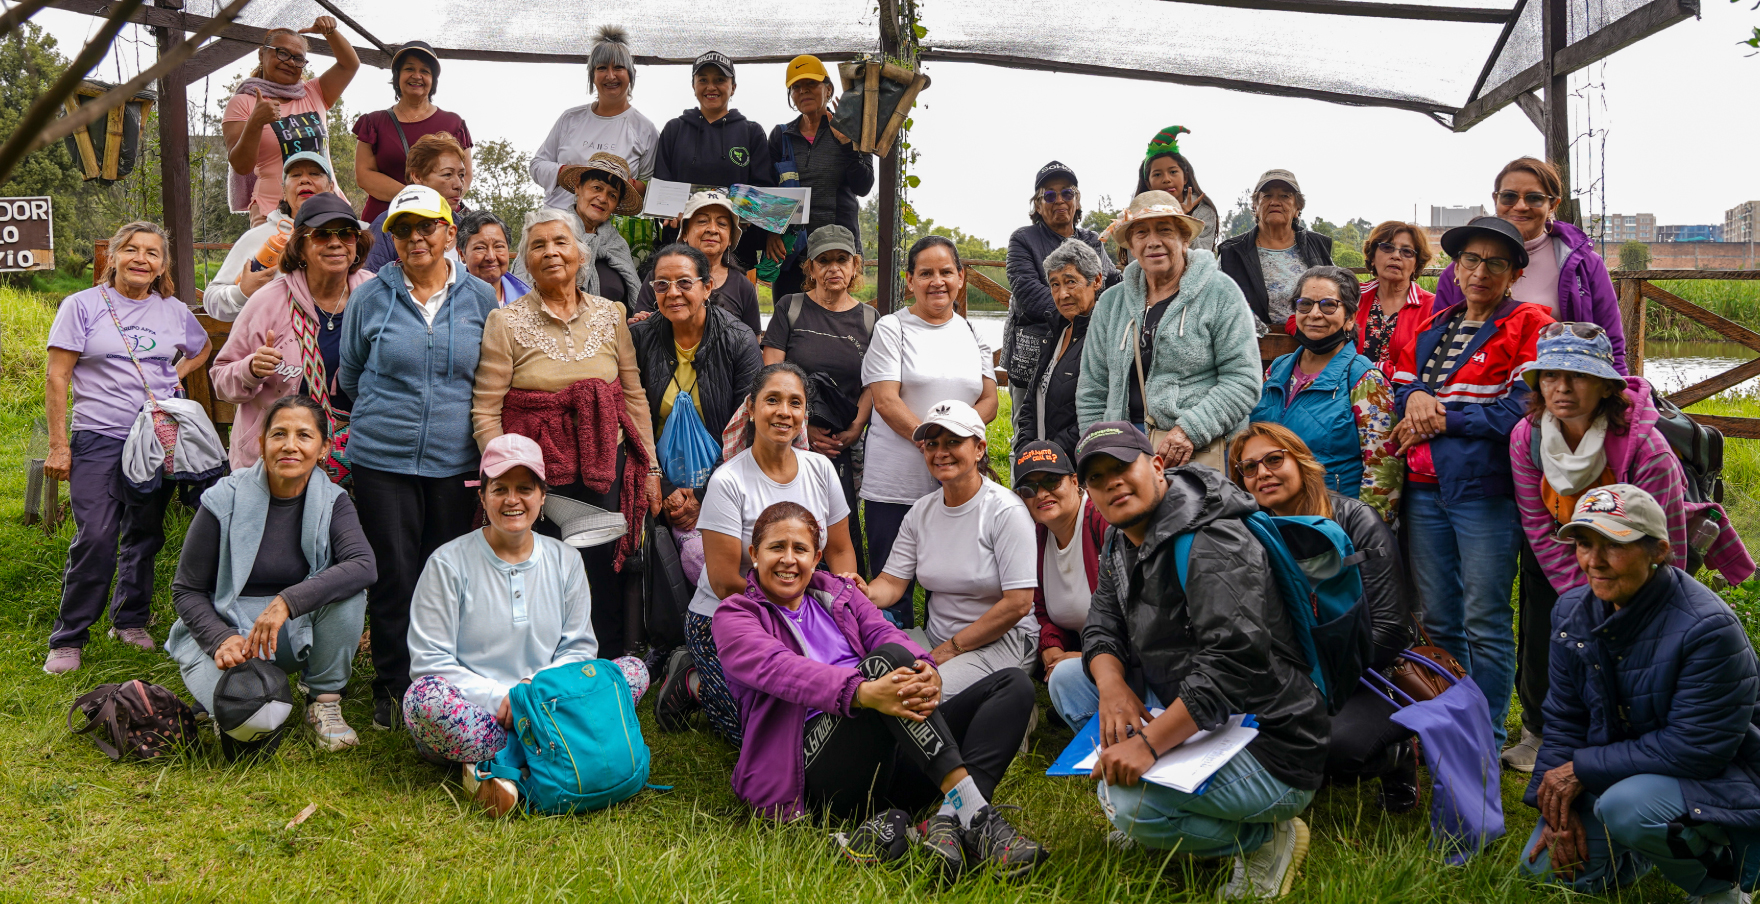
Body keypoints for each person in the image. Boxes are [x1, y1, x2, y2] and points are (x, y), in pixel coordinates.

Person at [1054, 422, 1326, 899]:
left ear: (1158, 465)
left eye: (1122, 467)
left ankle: (1264, 838)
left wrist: (1149, 745)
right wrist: (1113, 689)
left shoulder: (1212, 539)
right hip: (1194, 707)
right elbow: (1101, 624)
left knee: (1127, 804)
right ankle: (1169, 800)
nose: (1112, 482)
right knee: (1071, 680)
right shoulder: (1122, 539)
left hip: (1269, 736)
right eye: (1097, 477)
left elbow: (1232, 663)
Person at [713, 502, 1047, 878]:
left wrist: (929, 669)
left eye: (800, 549)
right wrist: (863, 692)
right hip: (813, 767)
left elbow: (884, 631)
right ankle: (977, 816)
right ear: (755, 554)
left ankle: (946, 823)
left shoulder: (837, 593)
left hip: (891, 748)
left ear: (817, 557)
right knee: (884, 662)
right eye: (776, 547)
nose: (788, 559)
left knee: (1012, 685)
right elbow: (783, 670)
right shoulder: (735, 615)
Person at [1504, 324, 1754, 773]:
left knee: (1643, 640)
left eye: (1578, 376)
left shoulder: (1647, 448)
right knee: (1548, 630)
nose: (1562, 388)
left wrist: (1627, 600)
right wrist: (1579, 594)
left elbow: (1667, 544)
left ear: (1605, 385)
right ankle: (1541, 732)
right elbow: (1538, 525)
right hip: (1563, 546)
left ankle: (1644, 731)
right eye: (1550, 375)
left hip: (1638, 556)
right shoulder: (1527, 436)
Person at [1519, 484, 1760, 903]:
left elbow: (1696, 749)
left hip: (1724, 778)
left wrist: (1580, 771)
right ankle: (1640, 853)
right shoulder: (1570, 612)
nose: (1594, 562)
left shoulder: (1707, 629)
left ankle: (1721, 885)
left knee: (1627, 808)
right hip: (1623, 769)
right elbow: (1564, 719)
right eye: (1584, 544)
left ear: (1659, 551)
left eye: (1614, 545)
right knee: (1542, 870)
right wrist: (1556, 809)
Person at [403, 433, 650, 816]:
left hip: (547, 702)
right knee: (424, 701)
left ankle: (499, 768)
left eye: (524, 488)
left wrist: (531, 692)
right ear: (482, 497)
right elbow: (429, 660)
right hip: (481, 710)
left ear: (542, 497)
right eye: (500, 488)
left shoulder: (565, 559)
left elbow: (578, 648)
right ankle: (544, 756)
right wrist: (501, 698)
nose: (512, 500)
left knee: (633, 672)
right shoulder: (448, 563)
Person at [1389, 214, 1555, 749]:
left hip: (1483, 491)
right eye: (1471, 260)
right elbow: (1402, 382)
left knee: (1485, 614)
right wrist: (1414, 398)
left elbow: (1520, 411)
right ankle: (1453, 720)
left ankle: (1485, 729)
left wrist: (1442, 418)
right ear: (1457, 268)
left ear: (1513, 274)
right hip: (1423, 490)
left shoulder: (1530, 324)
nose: (1481, 271)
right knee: (1439, 615)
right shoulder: (1434, 325)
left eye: (1496, 263)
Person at [339, 184, 499, 731]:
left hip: (456, 461)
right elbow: (352, 375)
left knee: (447, 573)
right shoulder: (369, 295)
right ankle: (393, 684)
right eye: (402, 230)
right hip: (382, 459)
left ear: (449, 232)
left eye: (425, 226)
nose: (414, 238)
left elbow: (489, 375)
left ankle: (443, 680)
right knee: (393, 573)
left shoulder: (481, 297)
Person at [472, 209, 660, 660]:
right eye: (537, 245)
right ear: (526, 261)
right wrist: (505, 479)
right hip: (538, 473)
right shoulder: (506, 322)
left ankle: (609, 664)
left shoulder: (611, 314)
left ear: (582, 253)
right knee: (544, 569)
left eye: (560, 242)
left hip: (605, 466)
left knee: (605, 565)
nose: (551, 252)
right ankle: (548, 665)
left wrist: (650, 467)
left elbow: (633, 397)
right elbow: (486, 408)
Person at [654, 363, 859, 742]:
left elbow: (843, 551)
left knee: (828, 705)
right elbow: (724, 581)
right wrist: (789, 617)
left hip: (803, 609)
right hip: (729, 615)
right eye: (772, 400)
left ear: (804, 415)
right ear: (751, 408)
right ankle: (692, 680)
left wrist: (842, 600)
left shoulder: (821, 471)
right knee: (754, 734)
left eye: (795, 403)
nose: (784, 411)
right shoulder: (729, 481)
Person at [42, 222, 213, 675]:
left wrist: (176, 375)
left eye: (152, 253)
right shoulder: (81, 306)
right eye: (132, 250)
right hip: (98, 434)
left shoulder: (173, 310)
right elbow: (57, 376)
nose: (142, 259)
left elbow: (202, 346)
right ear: (112, 257)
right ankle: (69, 636)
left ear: (162, 266)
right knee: (96, 534)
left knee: (145, 531)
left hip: (155, 436)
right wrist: (59, 445)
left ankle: (130, 620)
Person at [166, 396, 376, 751]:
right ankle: (227, 695)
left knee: (349, 592)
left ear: (324, 448)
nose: (290, 445)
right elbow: (186, 589)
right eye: (279, 434)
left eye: (304, 436)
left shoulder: (334, 500)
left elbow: (363, 565)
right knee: (250, 733)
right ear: (262, 443)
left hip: (290, 630)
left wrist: (287, 602)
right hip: (229, 630)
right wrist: (220, 638)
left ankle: (323, 704)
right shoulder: (223, 498)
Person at [1230, 423, 1417, 812]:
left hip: (1370, 675)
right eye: (1249, 468)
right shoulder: (1248, 535)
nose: (1263, 473)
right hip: (1289, 677)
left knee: (1333, 746)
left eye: (1274, 459)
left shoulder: (1355, 520)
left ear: (1302, 462)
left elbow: (1391, 629)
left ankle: (1397, 755)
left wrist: (1313, 685)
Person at [847, 401, 1037, 698]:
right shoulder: (922, 512)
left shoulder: (1005, 510)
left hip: (1001, 641)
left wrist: (950, 650)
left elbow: (1018, 604)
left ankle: (1007, 707)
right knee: (863, 674)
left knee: (916, 694)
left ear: (979, 449)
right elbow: (892, 583)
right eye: (932, 443)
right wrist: (866, 592)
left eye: (953, 442)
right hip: (935, 638)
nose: (941, 452)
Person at [860, 236, 998, 621]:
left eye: (946, 272)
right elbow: (886, 400)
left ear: (961, 278)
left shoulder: (973, 333)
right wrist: (936, 445)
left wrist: (953, 448)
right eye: (925, 273)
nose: (937, 281)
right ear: (909, 281)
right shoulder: (892, 328)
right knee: (892, 586)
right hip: (896, 483)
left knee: (953, 581)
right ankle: (893, 661)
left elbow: (989, 401)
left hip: (956, 484)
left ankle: (950, 660)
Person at [1076, 191, 1259, 471]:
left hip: (1200, 450)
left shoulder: (1221, 293)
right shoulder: (1111, 303)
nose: (1153, 242)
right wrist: (1100, 446)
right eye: (1141, 233)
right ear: (1131, 246)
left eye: (1165, 230)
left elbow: (1243, 380)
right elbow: (1093, 388)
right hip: (1124, 453)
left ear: (1184, 238)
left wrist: (1189, 431)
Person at [211, 193, 373, 470]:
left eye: (347, 234)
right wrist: (251, 369)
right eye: (322, 235)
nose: (336, 242)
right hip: (281, 458)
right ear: (300, 247)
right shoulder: (267, 301)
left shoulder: (375, 295)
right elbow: (221, 378)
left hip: (362, 453)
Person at [630, 243, 764, 571]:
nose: (672, 293)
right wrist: (665, 485)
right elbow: (628, 417)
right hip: (656, 480)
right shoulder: (639, 339)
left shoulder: (738, 341)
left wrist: (703, 495)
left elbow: (747, 428)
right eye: (662, 284)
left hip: (728, 480)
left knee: (715, 562)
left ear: (707, 287)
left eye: (684, 283)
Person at [1435, 157, 1628, 373]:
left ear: (1553, 204)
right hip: (1476, 393)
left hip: (1558, 393)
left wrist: (1620, 393)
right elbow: (1435, 341)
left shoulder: (1584, 265)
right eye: (1509, 196)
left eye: (1534, 198)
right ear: (1495, 199)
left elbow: (1611, 344)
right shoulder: (1462, 271)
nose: (1520, 206)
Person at [760, 225, 877, 572]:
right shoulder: (790, 308)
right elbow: (772, 377)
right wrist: (805, 430)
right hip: (792, 436)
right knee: (789, 519)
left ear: (855, 266)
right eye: (823, 261)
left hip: (845, 442)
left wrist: (856, 427)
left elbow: (874, 382)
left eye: (842, 259)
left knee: (841, 523)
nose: (833, 268)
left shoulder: (870, 320)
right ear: (809, 268)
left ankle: (845, 599)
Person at [1249, 265, 1402, 521]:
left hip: (1334, 523)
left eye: (1329, 305)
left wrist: (1367, 537)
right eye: (1305, 304)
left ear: (1350, 317)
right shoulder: (1277, 370)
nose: (1315, 314)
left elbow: (1383, 474)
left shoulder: (1365, 380)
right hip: (1272, 519)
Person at [1005, 161, 1117, 415]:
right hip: (1033, 349)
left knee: (1082, 416)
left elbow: (1111, 282)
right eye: (1050, 195)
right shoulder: (1023, 239)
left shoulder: (1091, 241)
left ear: (1076, 200)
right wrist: (1083, 312)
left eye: (1067, 193)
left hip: (1086, 349)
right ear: (1037, 203)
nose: (1060, 201)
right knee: (1027, 423)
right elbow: (1028, 293)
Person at [223, 19, 358, 226]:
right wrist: (255, 122)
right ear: (262, 54)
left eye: (298, 58)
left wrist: (330, 32)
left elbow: (350, 64)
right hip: (272, 213)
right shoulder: (243, 102)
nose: (289, 62)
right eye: (282, 53)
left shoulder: (314, 93)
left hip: (326, 209)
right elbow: (241, 165)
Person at [764, 55, 874, 298]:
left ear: (829, 89)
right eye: (796, 87)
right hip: (791, 251)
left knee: (834, 319)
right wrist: (771, 232)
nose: (803, 91)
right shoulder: (781, 136)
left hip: (836, 250)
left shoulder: (853, 130)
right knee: (789, 318)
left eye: (811, 84)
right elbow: (769, 188)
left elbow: (864, 185)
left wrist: (846, 144)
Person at [654, 51, 774, 266]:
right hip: (680, 248)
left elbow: (763, 191)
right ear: (693, 86)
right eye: (703, 80)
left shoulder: (752, 132)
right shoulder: (674, 129)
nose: (711, 87)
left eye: (720, 80)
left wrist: (744, 215)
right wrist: (668, 213)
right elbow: (662, 184)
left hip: (736, 250)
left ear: (733, 87)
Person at [531, 26, 658, 211]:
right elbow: (537, 165)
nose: (610, 75)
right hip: (558, 223)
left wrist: (620, 181)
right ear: (592, 75)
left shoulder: (645, 130)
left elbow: (650, 187)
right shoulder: (570, 118)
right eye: (602, 68)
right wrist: (563, 172)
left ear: (631, 74)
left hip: (607, 228)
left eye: (618, 67)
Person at [1011, 441, 1107, 687]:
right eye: (1029, 489)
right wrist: (1051, 647)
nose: (1041, 494)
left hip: (1129, 651)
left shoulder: (1103, 522)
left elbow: (1138, 610)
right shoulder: (1036, 537)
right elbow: (1039, 608)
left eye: (1052, 481)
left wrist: (1093, 657)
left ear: (1075, 482)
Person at [203, 152, 336, 321]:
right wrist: (242, 293)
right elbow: (212, 301)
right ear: (284, 192)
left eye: (314, 173)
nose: (304, 180)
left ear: (331, 187)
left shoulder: (350, 235)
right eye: (295, 175)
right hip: (273, 343)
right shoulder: (258, 237)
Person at [352, 41, 474, 223]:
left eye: (425, 71)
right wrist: (415, 197)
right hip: (383, 221)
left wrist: (434, 204)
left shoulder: (453, 123)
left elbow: (466, 175)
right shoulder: (374, 122)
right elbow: (364, 175)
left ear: (433, 80)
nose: (417, 76)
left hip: (436, 223)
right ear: (397, 76)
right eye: (409, 69)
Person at [1014, 239, 1103, 463]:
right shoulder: (1056, 330)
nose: (1062, 294)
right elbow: (1031, 401)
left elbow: (1097, 411)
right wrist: (1027, 449)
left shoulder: (1104, 336)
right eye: (1055, 284)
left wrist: (1051, 454)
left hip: (1078, 465)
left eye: (1070, 282)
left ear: (1097, 281)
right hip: (1043, 463)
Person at [513, 152, 644, 304]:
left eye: (612, 195)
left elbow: (634, 301)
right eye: (596, 188)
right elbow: (521, 286)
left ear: (616, 205)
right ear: (578, 186)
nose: (602, 198)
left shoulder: (618, 245)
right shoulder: (547, 230)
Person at [1216, 169, 1334, 331]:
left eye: (1285, 196)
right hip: (1254, 345)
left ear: (1297, 207)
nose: (1275, 202)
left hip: (1312, 343)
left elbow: (1337, 294)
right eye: (1267, 196)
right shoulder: (1232, 252)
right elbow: (1216, 302)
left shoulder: (1318, 245)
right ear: (1255, 206)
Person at [630, 190, 762, 335]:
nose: (712, 229)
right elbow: (641, 329)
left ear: (730, 238)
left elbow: (752, 342)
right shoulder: (658, 278)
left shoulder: (743, 286)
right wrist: (640, 325)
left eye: (722, 223)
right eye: (702, 221)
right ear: (685, 232)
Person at [363, 132, 470, 273]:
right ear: (417, 176)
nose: (458, 185)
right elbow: (372, 284)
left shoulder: (467, 229)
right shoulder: (385, 225)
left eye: (461, 175)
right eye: (447, 174)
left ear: (451, 233)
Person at [1355, 220, 1436, 369]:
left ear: (1416, 265)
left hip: (1406, 390)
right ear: (1372, 257)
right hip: (1349, 389)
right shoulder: (1353, 298)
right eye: (1387, 247)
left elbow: (1429, 365)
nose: (1396, 256)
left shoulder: (1432, 307)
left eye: (1407, 252)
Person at [1132, 125, 1219, 251]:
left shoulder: (1203, 211)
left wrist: (1183, 221)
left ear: (1185, 178)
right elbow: (1137, 261)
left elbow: (1202, 257)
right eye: (1157, 174)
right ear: (1149, 184)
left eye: (1173, 172)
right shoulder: (1137, 215)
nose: (1166, 179)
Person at [456, 210, 527, 305]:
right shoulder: (449, 301)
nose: (491, 257)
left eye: (499, 246)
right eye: (480, 248)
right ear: (461, 254)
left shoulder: (528, 300)